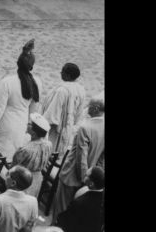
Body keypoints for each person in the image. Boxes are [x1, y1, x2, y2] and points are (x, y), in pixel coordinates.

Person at [50, 95, 105, 223]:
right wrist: (93, 175)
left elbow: (81, 155)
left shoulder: (85, 127)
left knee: (60, 211)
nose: (87, 109)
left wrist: (84, 178)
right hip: (89, 177)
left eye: (89, 106)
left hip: (72, 176)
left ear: (96, 108)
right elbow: (102, 157)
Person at [0, 39, 42, 160]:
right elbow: (34, 109)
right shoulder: (37, 83)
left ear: (18, 63)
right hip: (21, 125)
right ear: (31, 66)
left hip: (5, 124)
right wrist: (28, 126)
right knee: (11, 157)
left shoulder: (7, 82)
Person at [41, 63, 87, 154]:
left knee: (50, 152)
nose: (61, 73)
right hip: (69, 127)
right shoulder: (81, 90)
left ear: (68, 75)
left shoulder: (62, 90)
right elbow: (79, 113)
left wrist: (42, 125)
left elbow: (52, 114)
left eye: (62, 71)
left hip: (56, 129)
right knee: (60, 154)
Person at [11, 113, 53, 197]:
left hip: (22, 181)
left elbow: (13, 168)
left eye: (30, 124)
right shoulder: (49, 145)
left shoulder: (25, 150)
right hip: (37, 180)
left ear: (34, 133)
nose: (27, 124)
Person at [55, 166, 104, 232]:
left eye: (86, 175)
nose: (84, 175)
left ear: (91, 184)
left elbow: (64, 222)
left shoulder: (79, 203)